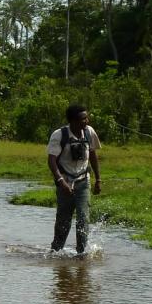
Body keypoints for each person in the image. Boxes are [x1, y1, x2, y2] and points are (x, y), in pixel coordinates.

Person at [47, 103, 102, 255]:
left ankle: (81, 254)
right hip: (65, 183)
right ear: (72, 121)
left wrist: (98, 180)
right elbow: (51, 160)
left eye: (87, 118)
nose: (87, 121)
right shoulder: (59, 135)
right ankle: (56, 251)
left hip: (83, 181)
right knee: (63, 222)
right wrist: (60, 181)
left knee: (83, 219)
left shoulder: (89, 132)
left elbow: (93, 155)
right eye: (83, 119)